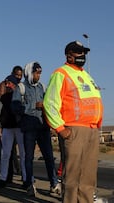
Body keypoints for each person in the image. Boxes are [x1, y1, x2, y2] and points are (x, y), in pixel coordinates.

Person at [43, 41, 103, 203]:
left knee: (88, 176)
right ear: (69, 55)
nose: (82, 56)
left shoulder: (86, 75)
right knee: (72, 174)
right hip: (74, 131)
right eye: (78, 52)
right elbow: (50, 103)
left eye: (84, 53)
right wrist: (61, 129)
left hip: (91, 130)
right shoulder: (61, 73)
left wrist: (97, 126)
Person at [11, 61, 60, 197]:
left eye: (39, 73)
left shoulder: (42, 87)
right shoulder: (20, 88)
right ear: (29, 72)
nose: (38, 75)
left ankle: (54, 183)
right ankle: (29, 184)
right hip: (29, 128)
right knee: (28, 158)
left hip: (43, 127)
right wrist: (33, 105)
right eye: (36, 72)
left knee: (49, 158)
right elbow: (15, 108)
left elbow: (49, 104)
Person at [0, 74, 26, 189]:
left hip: (20, 128)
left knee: (24, 154)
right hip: (7, 128)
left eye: (9, 83)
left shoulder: (22, 97)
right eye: (6, 83)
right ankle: (3, 178)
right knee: (5, 154)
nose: (7, 85)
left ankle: (26, 179)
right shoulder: (4, 98)